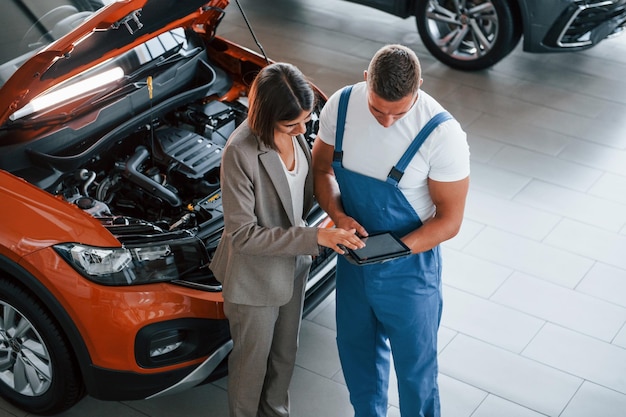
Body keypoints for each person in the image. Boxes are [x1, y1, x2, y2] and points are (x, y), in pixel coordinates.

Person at [311, 44, 470, 417]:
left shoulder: (442, 135)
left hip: (410, 271)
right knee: (356, 354)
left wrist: (393, 250)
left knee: (416, 372)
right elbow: (321, 170)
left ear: (419, 88)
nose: (385, 121)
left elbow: (450, 220)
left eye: (397, 113)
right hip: (354, 259)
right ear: (367, 81)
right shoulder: (342, 105)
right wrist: (337, 213)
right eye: (377, 109)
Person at [209, 62, 364, 417]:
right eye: (291, 124)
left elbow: (301, 192)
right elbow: (243, 235)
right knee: (251, 367)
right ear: (266, 116)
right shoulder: (240, 152)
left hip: (293, 266)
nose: (301, 130)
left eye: (306, 121)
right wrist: (316, 237)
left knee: (285, 355)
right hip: (255, 278)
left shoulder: (298, 136)